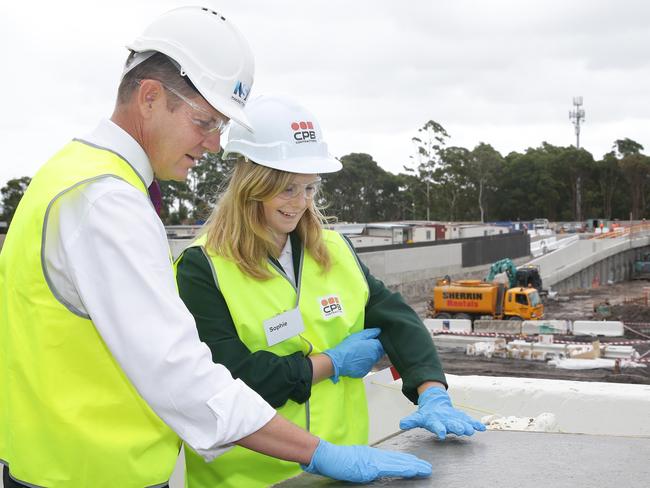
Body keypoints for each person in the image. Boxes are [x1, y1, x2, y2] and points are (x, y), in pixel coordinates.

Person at [0, 7, 432, 488]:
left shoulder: (70, 174)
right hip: (95, 475)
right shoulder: (108, 203)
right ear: (149, 97)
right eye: (205, 122)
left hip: (59, 465)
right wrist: (320, 453)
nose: (212, 144)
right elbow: (183, 378)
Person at [175, 95, 486, 488]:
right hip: (248, 479)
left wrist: (431, 390)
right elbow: (234, 379)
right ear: (250, 185)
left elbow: (395, 318)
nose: (301, 204)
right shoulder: (203, 266)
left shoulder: (334, 250)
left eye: (309, 189)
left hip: (344, 470)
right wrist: (331, 364)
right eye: (287, 189)